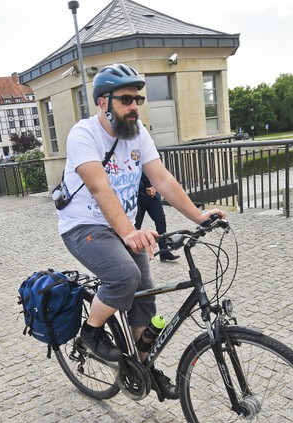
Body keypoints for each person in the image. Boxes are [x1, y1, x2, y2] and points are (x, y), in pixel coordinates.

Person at [57, 63, 226, 398]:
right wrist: (130, 232)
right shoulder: (83, 134)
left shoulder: (138, 134)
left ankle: (144, 367)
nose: (134, 106)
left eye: (138, 99)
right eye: (126, 100)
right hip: (84, 226)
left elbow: (161, 179)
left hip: (124, 228)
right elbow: (99, 187)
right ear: (103, 102)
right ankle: (90, 332)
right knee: (124, 275)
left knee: (144, 298)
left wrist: (199, 217)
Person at [134, 171, 179, 262]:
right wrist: (148, 186)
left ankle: (164, 251)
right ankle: (133, 254)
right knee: (136, 226)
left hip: (153, 195)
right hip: (139, 195)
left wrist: (155, 187)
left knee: (160, 221)